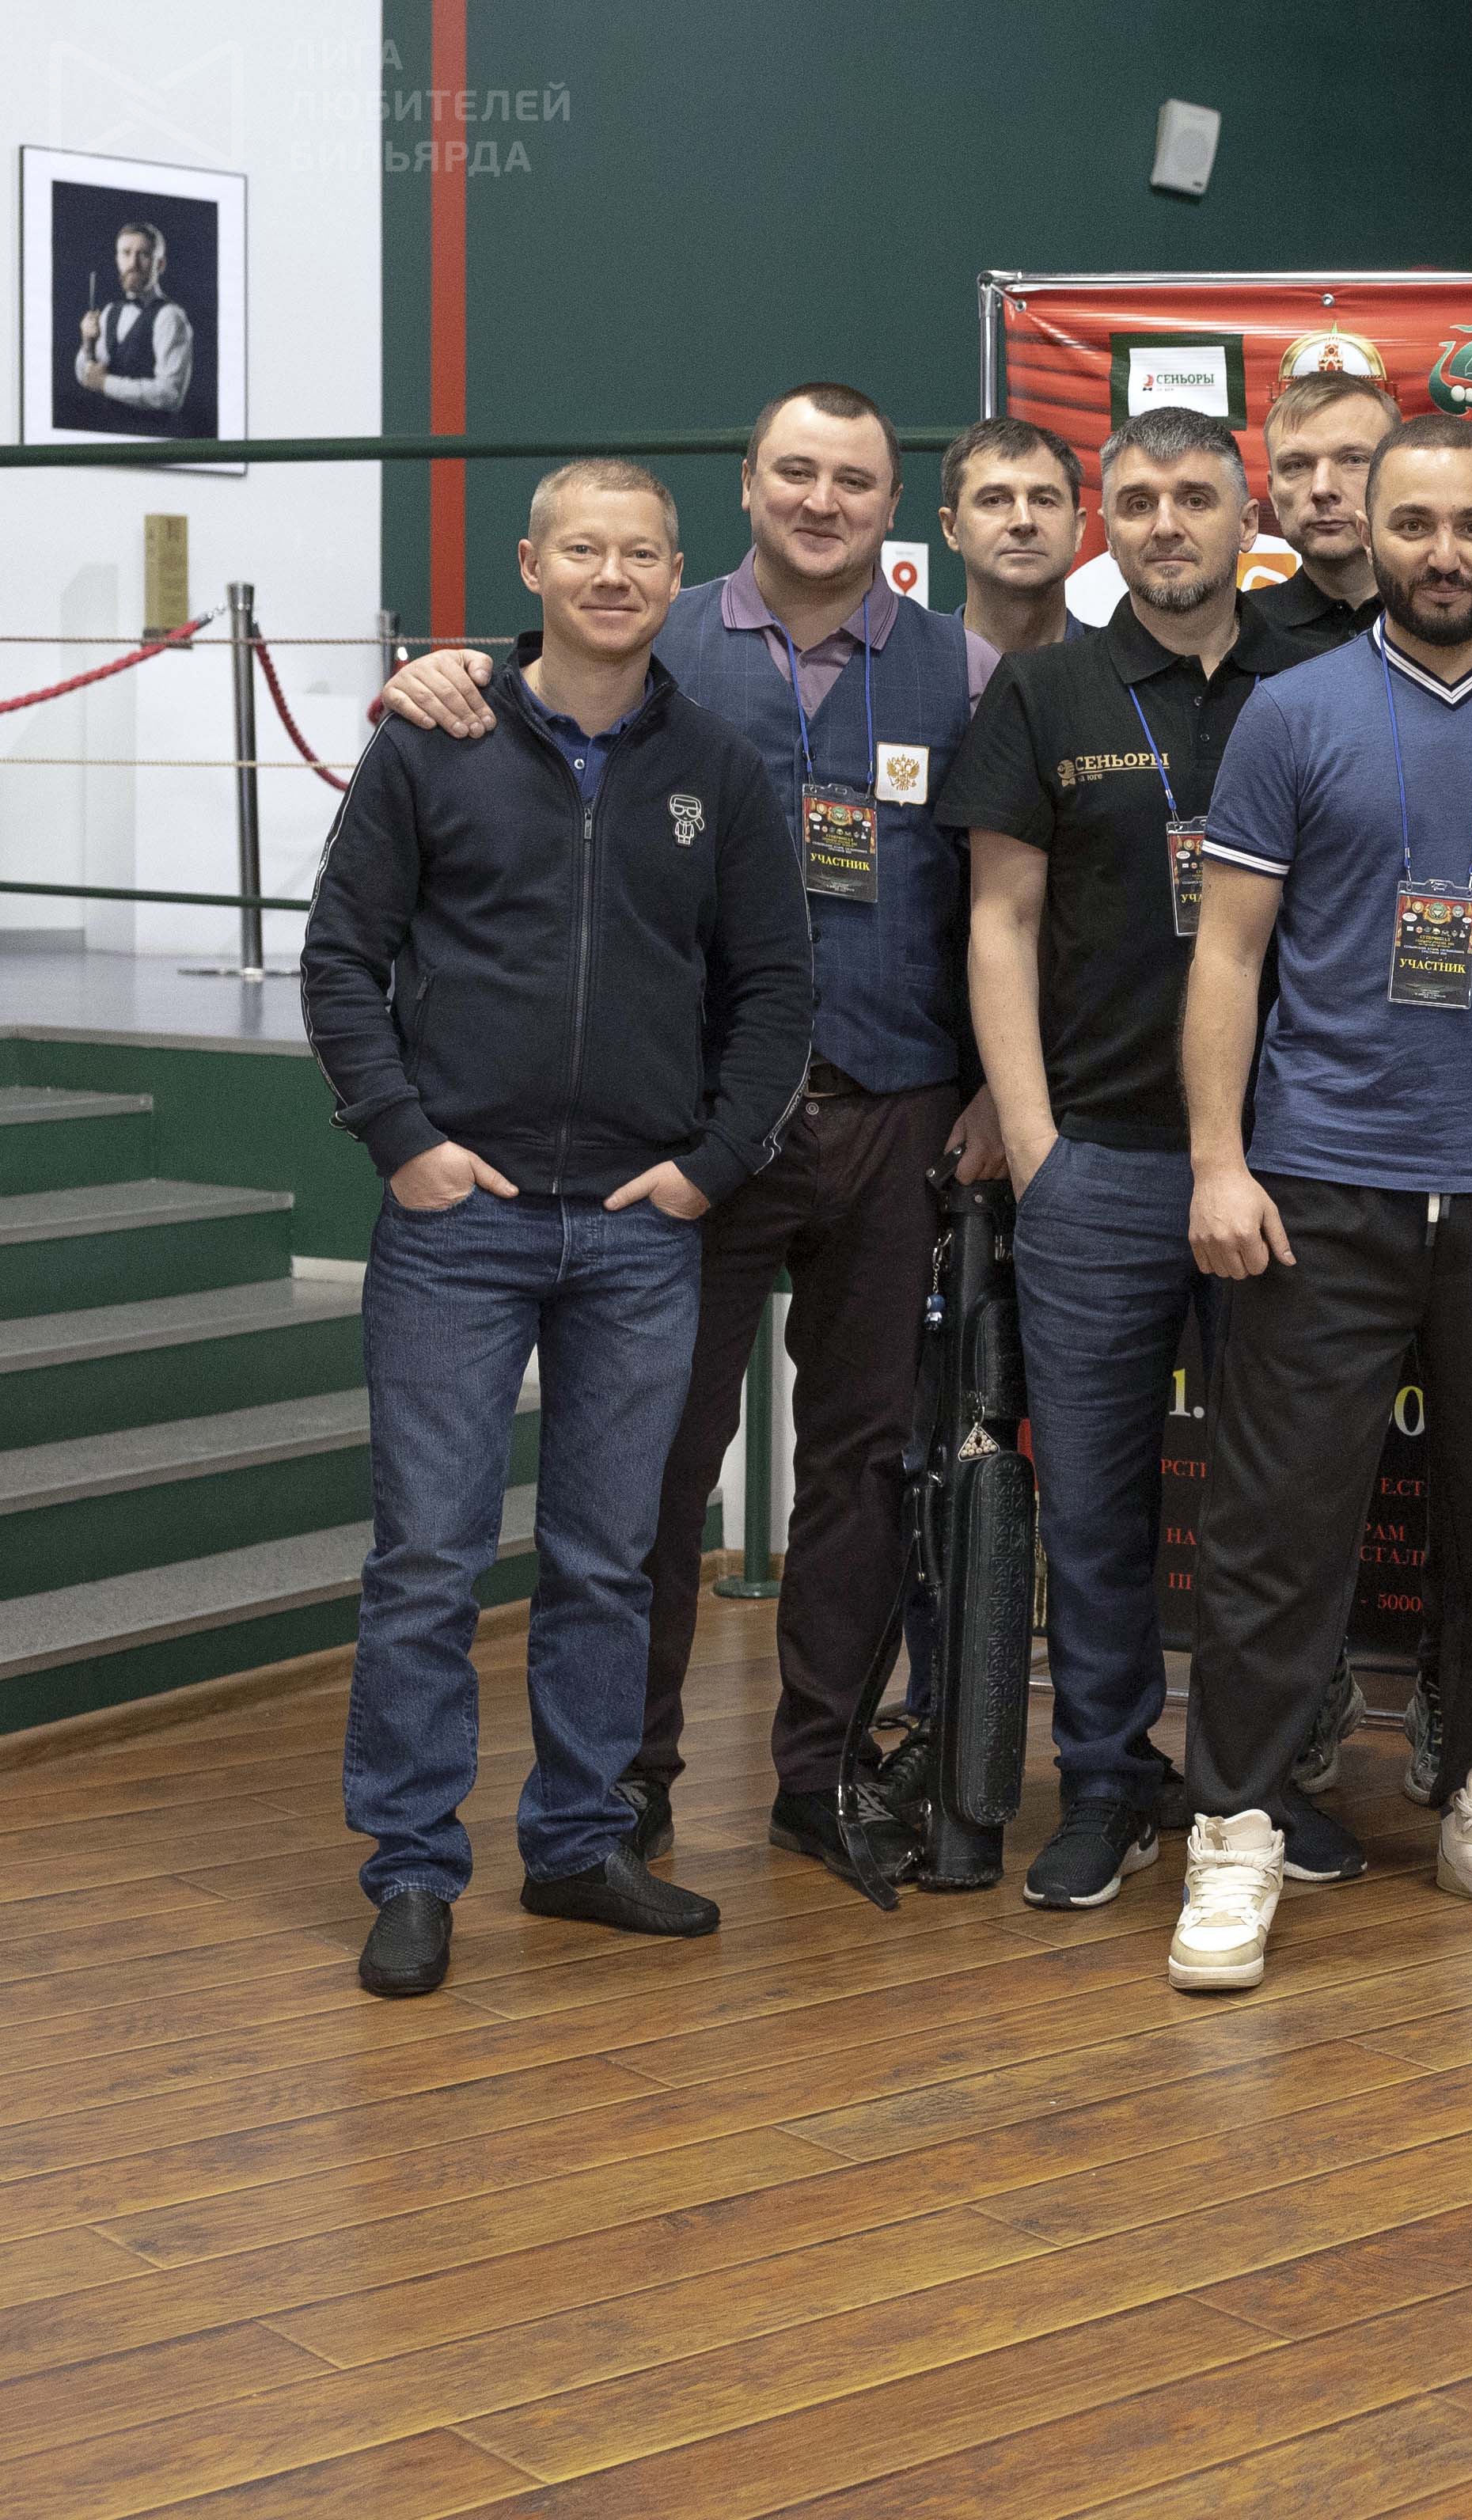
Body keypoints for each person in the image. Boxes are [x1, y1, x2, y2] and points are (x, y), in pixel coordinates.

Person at [381, 383, 1005, 1896]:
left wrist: (996, 1087)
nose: (822, 499)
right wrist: (437, 670)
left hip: (897, 1109)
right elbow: (532, 693)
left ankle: (817, 1771)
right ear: (745, 484)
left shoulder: (968, 671)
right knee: (654, 1473)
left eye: (853, 478)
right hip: (698, 1133)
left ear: (894, 506)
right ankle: (628, 1783)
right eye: (795, 469)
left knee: (862, 1462)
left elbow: (1006, 898)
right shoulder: (661, 640)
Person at [302, 461, 813, 1994]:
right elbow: (341, 957)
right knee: (428, 1559)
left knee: (608, 1556)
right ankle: (412, 1868)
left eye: (639, 552)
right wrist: (404, 1143)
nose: (611, 575)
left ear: (676, 573)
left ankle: (582, 1841)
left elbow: (776, 989)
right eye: (582, 548)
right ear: (529, 565)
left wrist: (711, 1167)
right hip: (459, 1221)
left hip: (644, 1228)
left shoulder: (719, 771)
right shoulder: (433, 741)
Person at [1167, 415, 1472, 1992]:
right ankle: (1236, 1822)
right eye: (1415, 524)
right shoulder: (1291, 712)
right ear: (1366, 534)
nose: (1444, 553)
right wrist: (1219, 1160)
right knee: (1278, 1528)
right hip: (1322, 1179)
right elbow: (1228, 951)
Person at [934, 405, 1318, 1910]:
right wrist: (1033, 1142)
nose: (1169, 524)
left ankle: (1257, 1781)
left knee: (1272, 1504)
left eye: (1197, 498)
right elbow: (1000, 922)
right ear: (1109, 523)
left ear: (1247, 521)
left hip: (1289, 1163)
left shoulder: (1319, 680)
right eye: (1142, 499)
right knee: (1094, 1500)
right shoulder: (1047, 688)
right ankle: (1103, 1778)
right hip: (1095, 1157)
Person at [1255, 370, 1472, 655]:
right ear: (1272, 493)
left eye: (1354, 460)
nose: (1322, 488)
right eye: (1296, 465)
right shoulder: (1244, 626)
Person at [937, 416, 1086, 656]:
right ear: (951, 527)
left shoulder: (1122, 671)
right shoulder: (911, 670)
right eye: (994, 500)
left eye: (1043, 501)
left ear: (1077, 529)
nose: (1024, 521)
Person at [74, 220, 193, 416]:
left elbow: (170, 395)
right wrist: (88, 343)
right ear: (117, 260)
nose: (133, 264)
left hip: (152, 430)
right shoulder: (110, 311)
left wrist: (105, 383)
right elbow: (87, 376)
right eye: (126, 253)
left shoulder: (170, 317)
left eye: (144, 254)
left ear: (160, 264)